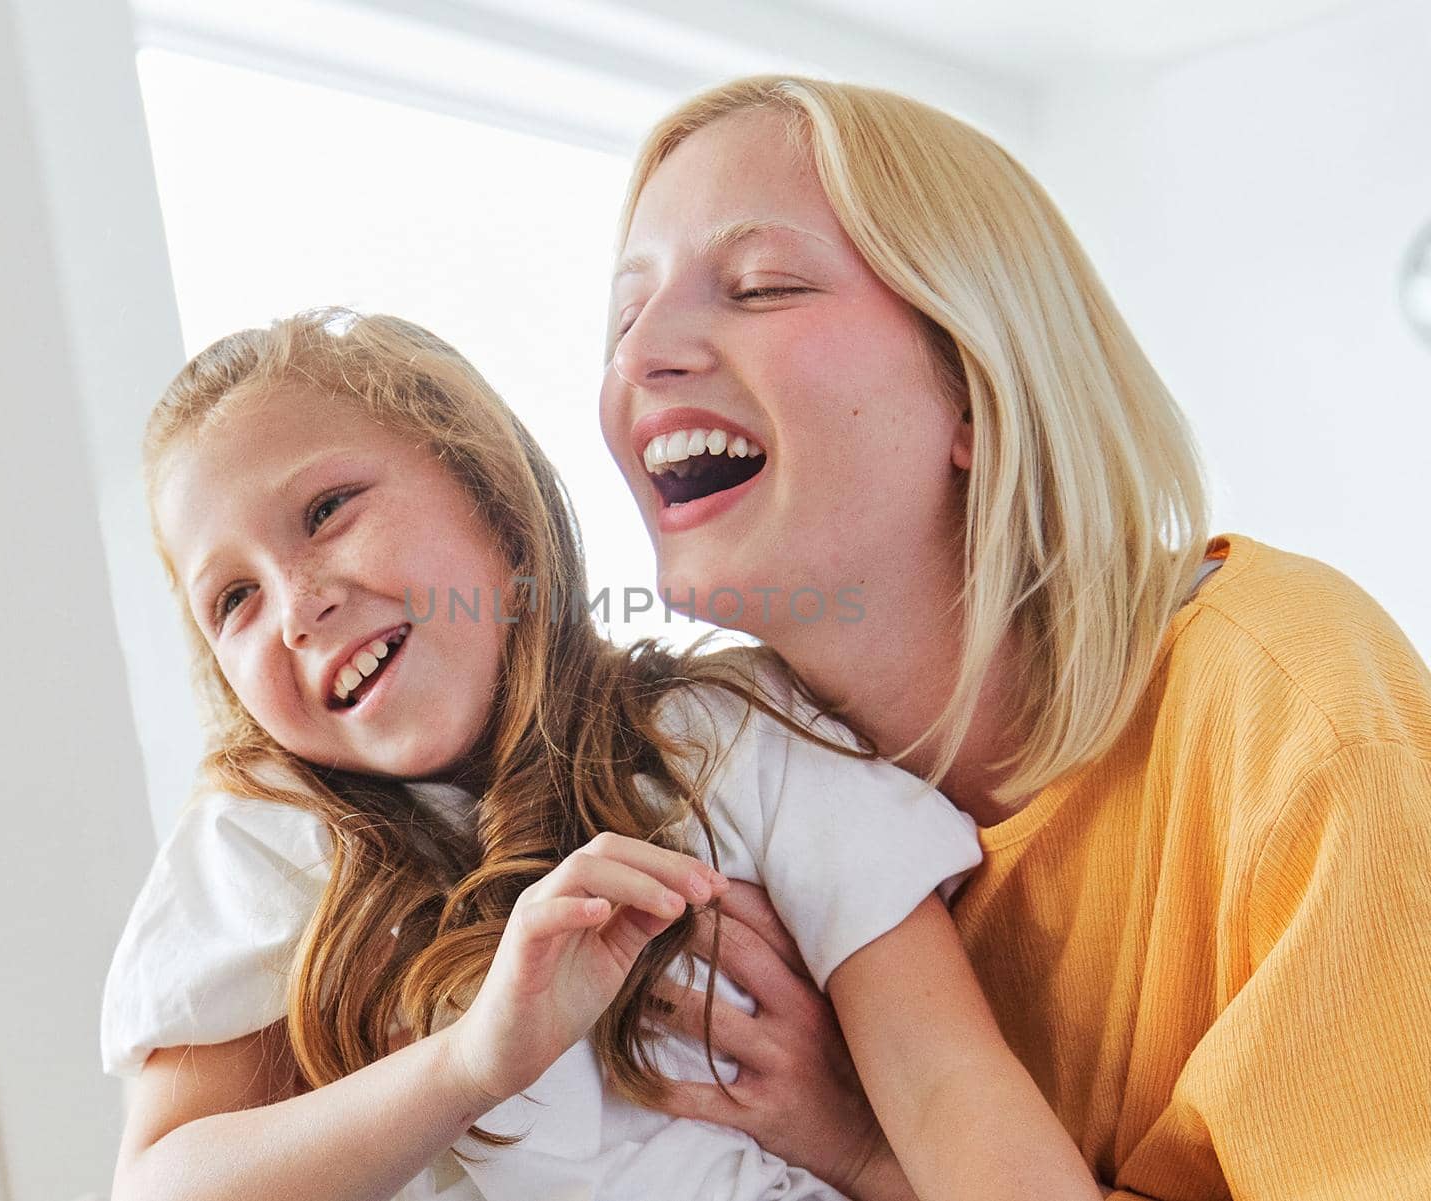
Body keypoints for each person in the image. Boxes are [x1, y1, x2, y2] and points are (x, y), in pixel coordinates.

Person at [598, 74, 1431, 1199]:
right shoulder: (700, 781)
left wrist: (870, 1151)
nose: (642, 354)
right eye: (623, 312)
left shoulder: (1290, 704)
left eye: (761, 286)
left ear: (977, 392)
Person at [99, 309, 1107, 1201]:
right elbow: (161, 1187)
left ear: (488, 496)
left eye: (327, 511)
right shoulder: (268, 840)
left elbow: (949, 1085)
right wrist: (470, 1064)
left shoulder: (731, 733)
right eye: (232, 599)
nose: (296, 605)